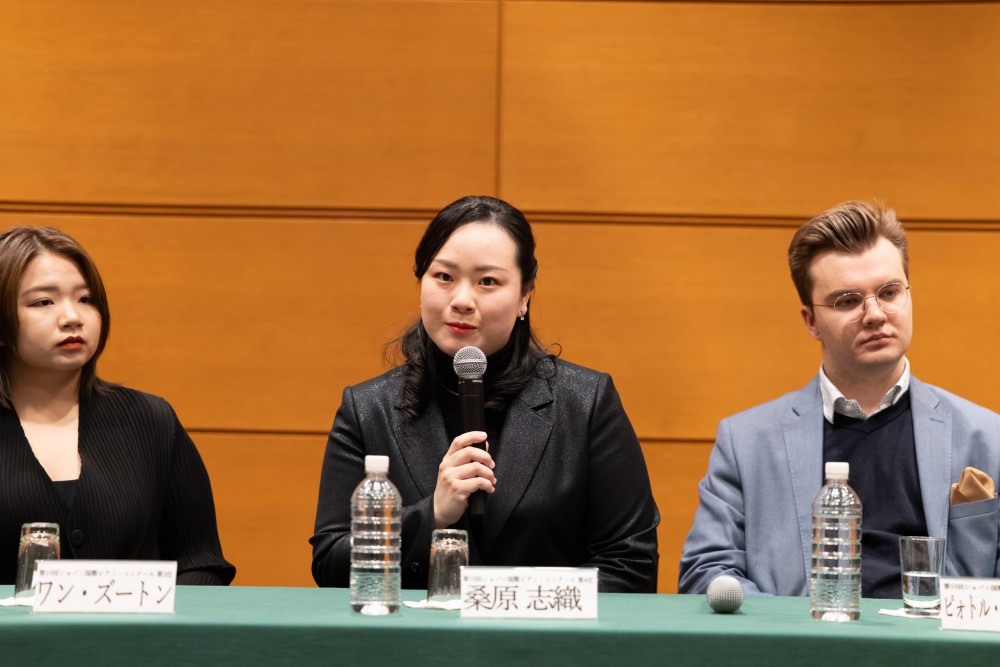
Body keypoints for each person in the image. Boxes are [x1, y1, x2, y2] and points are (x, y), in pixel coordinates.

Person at [311, 195, 659, 593]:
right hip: (417, 634)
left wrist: (505, 604)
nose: (462, 300)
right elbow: (330, 565)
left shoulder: (586, 402)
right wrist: (431, 515)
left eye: (487, 281)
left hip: (542, 632)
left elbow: (631, 565)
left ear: (524, 295)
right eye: (444, 276)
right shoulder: (367, 409)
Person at [678, 200, 1000, 597]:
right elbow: (707, 572)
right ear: (811, 321)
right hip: (802, 635)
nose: (875, 314)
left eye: (889, 292)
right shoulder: (745, 443)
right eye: (847, 300)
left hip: (935, 636)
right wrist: (789, 627)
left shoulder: (988, 436)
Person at [0, 226, 235, 585]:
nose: (72, 317)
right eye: (43, 302)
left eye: (86, 299)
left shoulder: (151, 420)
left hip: (136, 624)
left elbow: (201, 563)